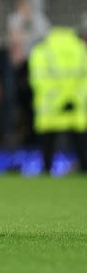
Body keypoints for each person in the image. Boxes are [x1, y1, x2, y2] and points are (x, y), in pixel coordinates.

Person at [27, 25, 87, 173]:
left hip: (49, 110)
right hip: (76, 108)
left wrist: (58, 100)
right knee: (81, 145)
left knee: (47, 149)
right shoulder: (81, 49)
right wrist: (72, 99)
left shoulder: (41, 50)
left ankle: (46, 169)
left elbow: (38, 80)